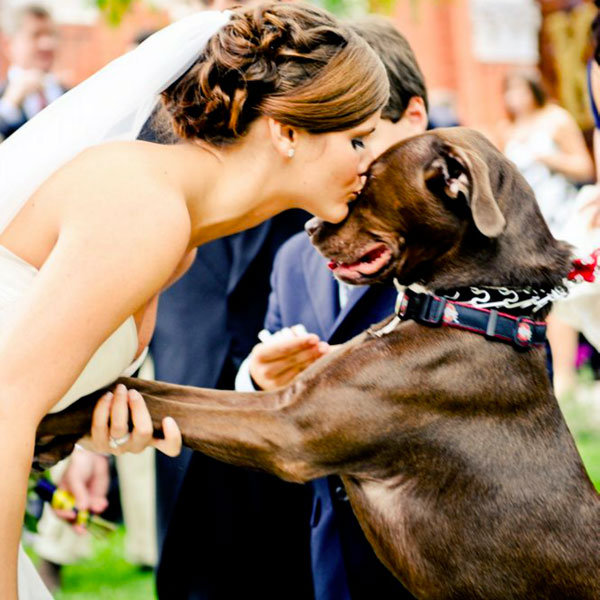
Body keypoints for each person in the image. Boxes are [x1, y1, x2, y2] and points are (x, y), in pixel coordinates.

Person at [0, 3, 389, 598]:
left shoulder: (174, 226)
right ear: (285, 132)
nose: (372, 162)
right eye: (358, 137)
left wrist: (86, 422)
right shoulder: (147, 208)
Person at [236, 16, 427, 599]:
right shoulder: (294, 256)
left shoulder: (464, 247)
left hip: (440, 557)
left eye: (366, 136)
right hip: (335, 563)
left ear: (414, 121)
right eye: (338, 137)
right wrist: (258, 379)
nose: (355, 161)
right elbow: (267, 379)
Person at [0, 4, 63, 140]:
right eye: (36, 35)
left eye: (51, 34)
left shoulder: (72, 95)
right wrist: (9, 106)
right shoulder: (4, 101)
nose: (47, 44)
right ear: (8, 44)